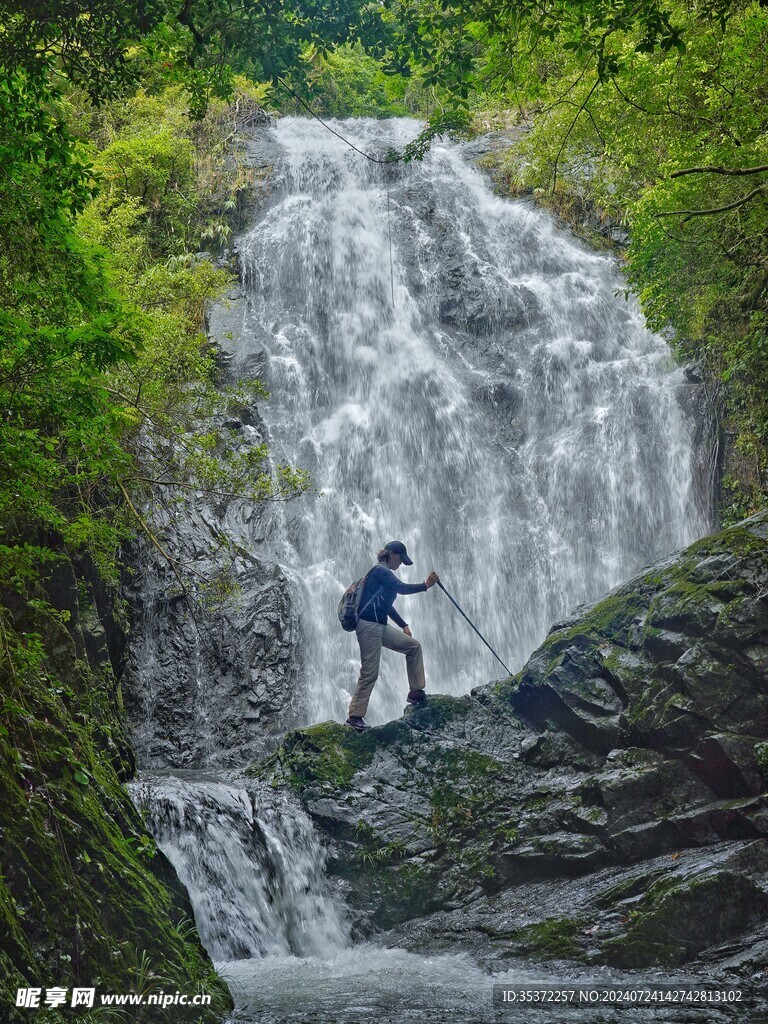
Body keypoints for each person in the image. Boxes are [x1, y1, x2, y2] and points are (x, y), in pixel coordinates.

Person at [345, 540, 439, 731]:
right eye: (401, 560)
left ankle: (415, 691)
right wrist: (425, 585)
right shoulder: (380, 571)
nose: (401, 564)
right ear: (391, 554)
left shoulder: (384, 575)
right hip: (369, 626)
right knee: (370, 671)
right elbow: (402, 588)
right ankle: (354, 717)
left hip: (380, 626)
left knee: (413, 646)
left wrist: (403, 624)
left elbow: (386, 606)